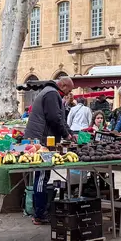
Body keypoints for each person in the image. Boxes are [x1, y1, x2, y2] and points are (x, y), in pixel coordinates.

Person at [24, 77, 74, 224]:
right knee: (41, 175)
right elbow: (54, 118)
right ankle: (39, 214)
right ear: (63, 85)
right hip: (42, 140)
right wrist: (66, 134)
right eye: (69, 90)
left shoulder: (51, 92)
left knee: (42, 176)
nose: (69, 94)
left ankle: (40, 211)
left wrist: (69, 132)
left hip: (43, 139)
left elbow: (60, 118)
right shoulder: (52, 94)